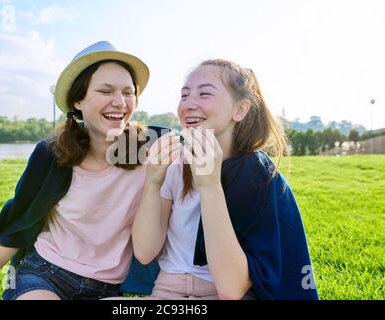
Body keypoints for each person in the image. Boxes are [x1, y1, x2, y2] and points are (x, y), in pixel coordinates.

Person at [0, 41, 162, 300]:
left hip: (106, 289)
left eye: (128, 92)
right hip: (43, 274)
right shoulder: (51, 154)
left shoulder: (153, 149)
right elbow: (20, 223)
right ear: (77, 101)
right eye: (105, 91)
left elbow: (212, 150)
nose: (120, 102)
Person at [132, 59, 319, 300]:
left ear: (240, 110)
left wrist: (210, 187)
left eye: (204, 93)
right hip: (166, 290)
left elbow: (231, 289)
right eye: (184, 95)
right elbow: (145, 252)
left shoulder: (258, 176)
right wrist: (152, 183)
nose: (189, 104)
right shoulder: (175, 165)